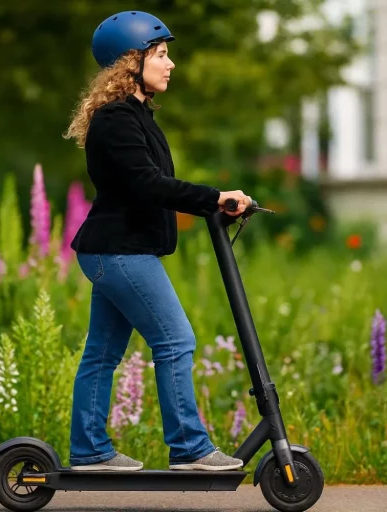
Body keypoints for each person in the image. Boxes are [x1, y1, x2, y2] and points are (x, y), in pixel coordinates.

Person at [62, 11, 252, 472]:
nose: (171, 65)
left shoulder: (136, 116)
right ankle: (189, 448)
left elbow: (151, 186)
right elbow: (148, 184)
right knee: (175, 340)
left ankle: (89, 450)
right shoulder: (116, 120)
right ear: (131, 62)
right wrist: (214, 197)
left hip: (119, 250)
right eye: (161, 55)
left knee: (102, 354)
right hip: (119, 251)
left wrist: (214, 206)